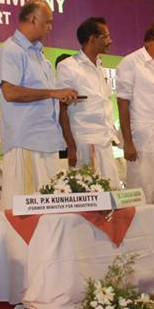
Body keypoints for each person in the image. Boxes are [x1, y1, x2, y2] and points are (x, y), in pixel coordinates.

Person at [0, 0, 77, 209]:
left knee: (51, 208)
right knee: (22, 209)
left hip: (46, 140)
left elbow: (46, 95)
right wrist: (52, 93)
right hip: (25, 141)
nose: (50, 27)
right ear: (32, 19)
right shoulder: (10, 50)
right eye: (47, 22)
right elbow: (10, 92)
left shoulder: (39, 54)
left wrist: (58, 97)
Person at [116, 22, 154, 203]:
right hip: (142, 140)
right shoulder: (131, 62)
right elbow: (122, 103)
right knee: (143, 192)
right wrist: (128, 142)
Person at [57, 17, 122, 188]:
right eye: (106, 37)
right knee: (90, 193)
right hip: (85, 142)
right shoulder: (68, 66)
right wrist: (71, 146)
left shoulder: (99, 65)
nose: (110, 41)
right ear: (92, 39)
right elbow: (62, 109)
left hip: (105, 141)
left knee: (111, 191)